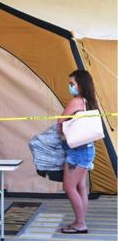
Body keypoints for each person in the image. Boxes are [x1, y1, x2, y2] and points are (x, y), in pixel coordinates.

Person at [58, 69, 98, 234]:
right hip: (88, 148)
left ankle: (80, 223)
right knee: (80, 186)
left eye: (72, 84)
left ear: (80, 85)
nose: (70, 87)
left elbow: (60, 121)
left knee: (69, 187)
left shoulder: (76, 102)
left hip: (76, 151)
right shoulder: (91, 101)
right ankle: (79, 220)